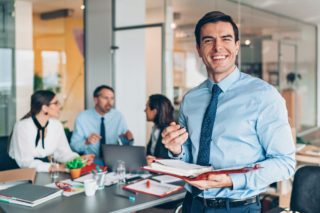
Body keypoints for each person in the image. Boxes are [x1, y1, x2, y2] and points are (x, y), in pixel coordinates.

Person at [161, 11, 296, 213]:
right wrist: (176, 150)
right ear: (198, 49)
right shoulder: (190, 99)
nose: (218, 47)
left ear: (236, 46)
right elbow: (189, 157)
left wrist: (231, 181)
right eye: (209, 40)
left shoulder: (264, 96)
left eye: (226, 39)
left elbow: (285, 163)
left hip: (237, 208)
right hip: (192, 204)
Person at [8, 90, 94, 172]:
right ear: (45, 108)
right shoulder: (21, 126)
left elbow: (64, 153)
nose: (59, 106)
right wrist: (55, 167)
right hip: (21, 173)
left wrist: (78, 159)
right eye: (56, 103)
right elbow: (25, 162)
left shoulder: (56, 125)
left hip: (45, 171)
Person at [70, 85, 134, 157]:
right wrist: (86, 142)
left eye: (112, 98)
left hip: (113, 160)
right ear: (96, 100)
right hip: (91, 162)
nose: (109, 102)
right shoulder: (82, 117)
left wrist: (129, 139)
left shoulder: (118, 116)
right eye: (105, 98)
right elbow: (74, 147)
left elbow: (127, 145)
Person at [144, 94, 175, 166]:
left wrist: (157, 161)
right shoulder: (155, 129)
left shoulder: (169, 132)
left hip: (165, 175)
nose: (144, 111)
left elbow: (172, 160)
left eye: (146, 108)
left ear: (154, 111)